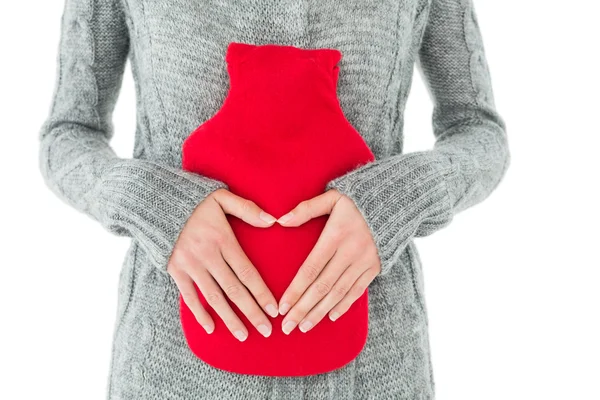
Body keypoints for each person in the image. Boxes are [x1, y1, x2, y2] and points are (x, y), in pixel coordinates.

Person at [38, 0, 510, 398]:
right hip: (170, 365)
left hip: (375, 368)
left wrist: (401, 196)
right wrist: (151, 201)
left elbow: (478, 130)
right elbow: (68, 135)